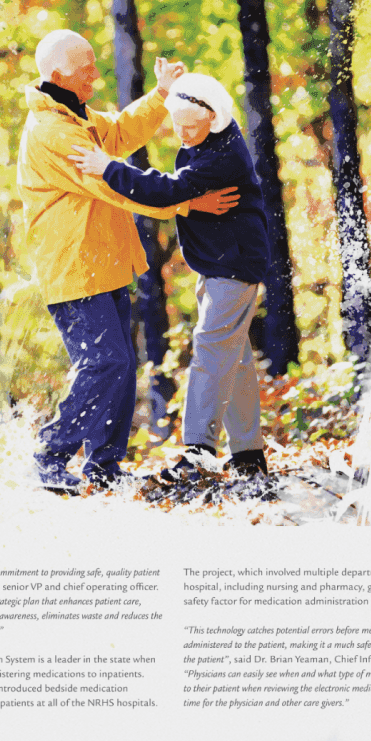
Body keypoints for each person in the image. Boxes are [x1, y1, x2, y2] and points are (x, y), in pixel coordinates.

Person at [16, 30, 238, 493]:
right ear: (57, 76)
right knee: (105, 363)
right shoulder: (52, 132)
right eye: (85, 72)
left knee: (119, 366)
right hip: (75, 271)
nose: (95, 77)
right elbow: (113, 184)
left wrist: (159, 96)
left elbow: (117, 133)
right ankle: (49, 455)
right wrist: (187, 203)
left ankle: (104, 467)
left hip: (105, 264)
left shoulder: (75, 114)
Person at [73, 72, 273, 477]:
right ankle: (249, 455)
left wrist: (108, 168)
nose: (182, 135)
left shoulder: (221, 156)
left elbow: (165, 190)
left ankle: (198, 452)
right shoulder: (207, 132)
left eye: (190, 127)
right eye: (177, 125)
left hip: (234, 266)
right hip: (218, 262)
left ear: (213, 117)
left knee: (211, 351)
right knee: (232, 359)